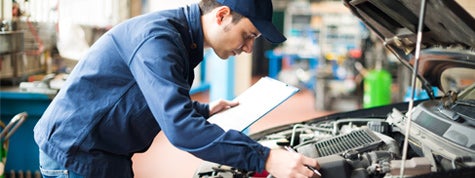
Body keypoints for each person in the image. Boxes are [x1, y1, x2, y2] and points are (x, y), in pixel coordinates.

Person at [33, 0, 320, 177]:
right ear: (221, 16)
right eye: (248, 36)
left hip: (105, 151)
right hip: (78, 153)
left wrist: (204, 109)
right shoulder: (159, 39)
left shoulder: (183, 40)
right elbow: (180, 130)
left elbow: (148, 96)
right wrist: (267, 158)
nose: (248, 48)